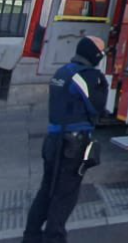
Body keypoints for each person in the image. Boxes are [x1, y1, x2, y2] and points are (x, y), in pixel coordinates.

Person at [24, 36, 106, 243]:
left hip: (53, 140)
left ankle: (31, 236)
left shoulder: (62, 72)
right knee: (65, 196)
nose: (102, 56)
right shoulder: (86, 76)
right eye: (101, 52)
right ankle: (54, 238)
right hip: (72, 145)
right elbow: (97, 107)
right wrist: (101, 83)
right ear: (93, 54)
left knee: (47, 190)